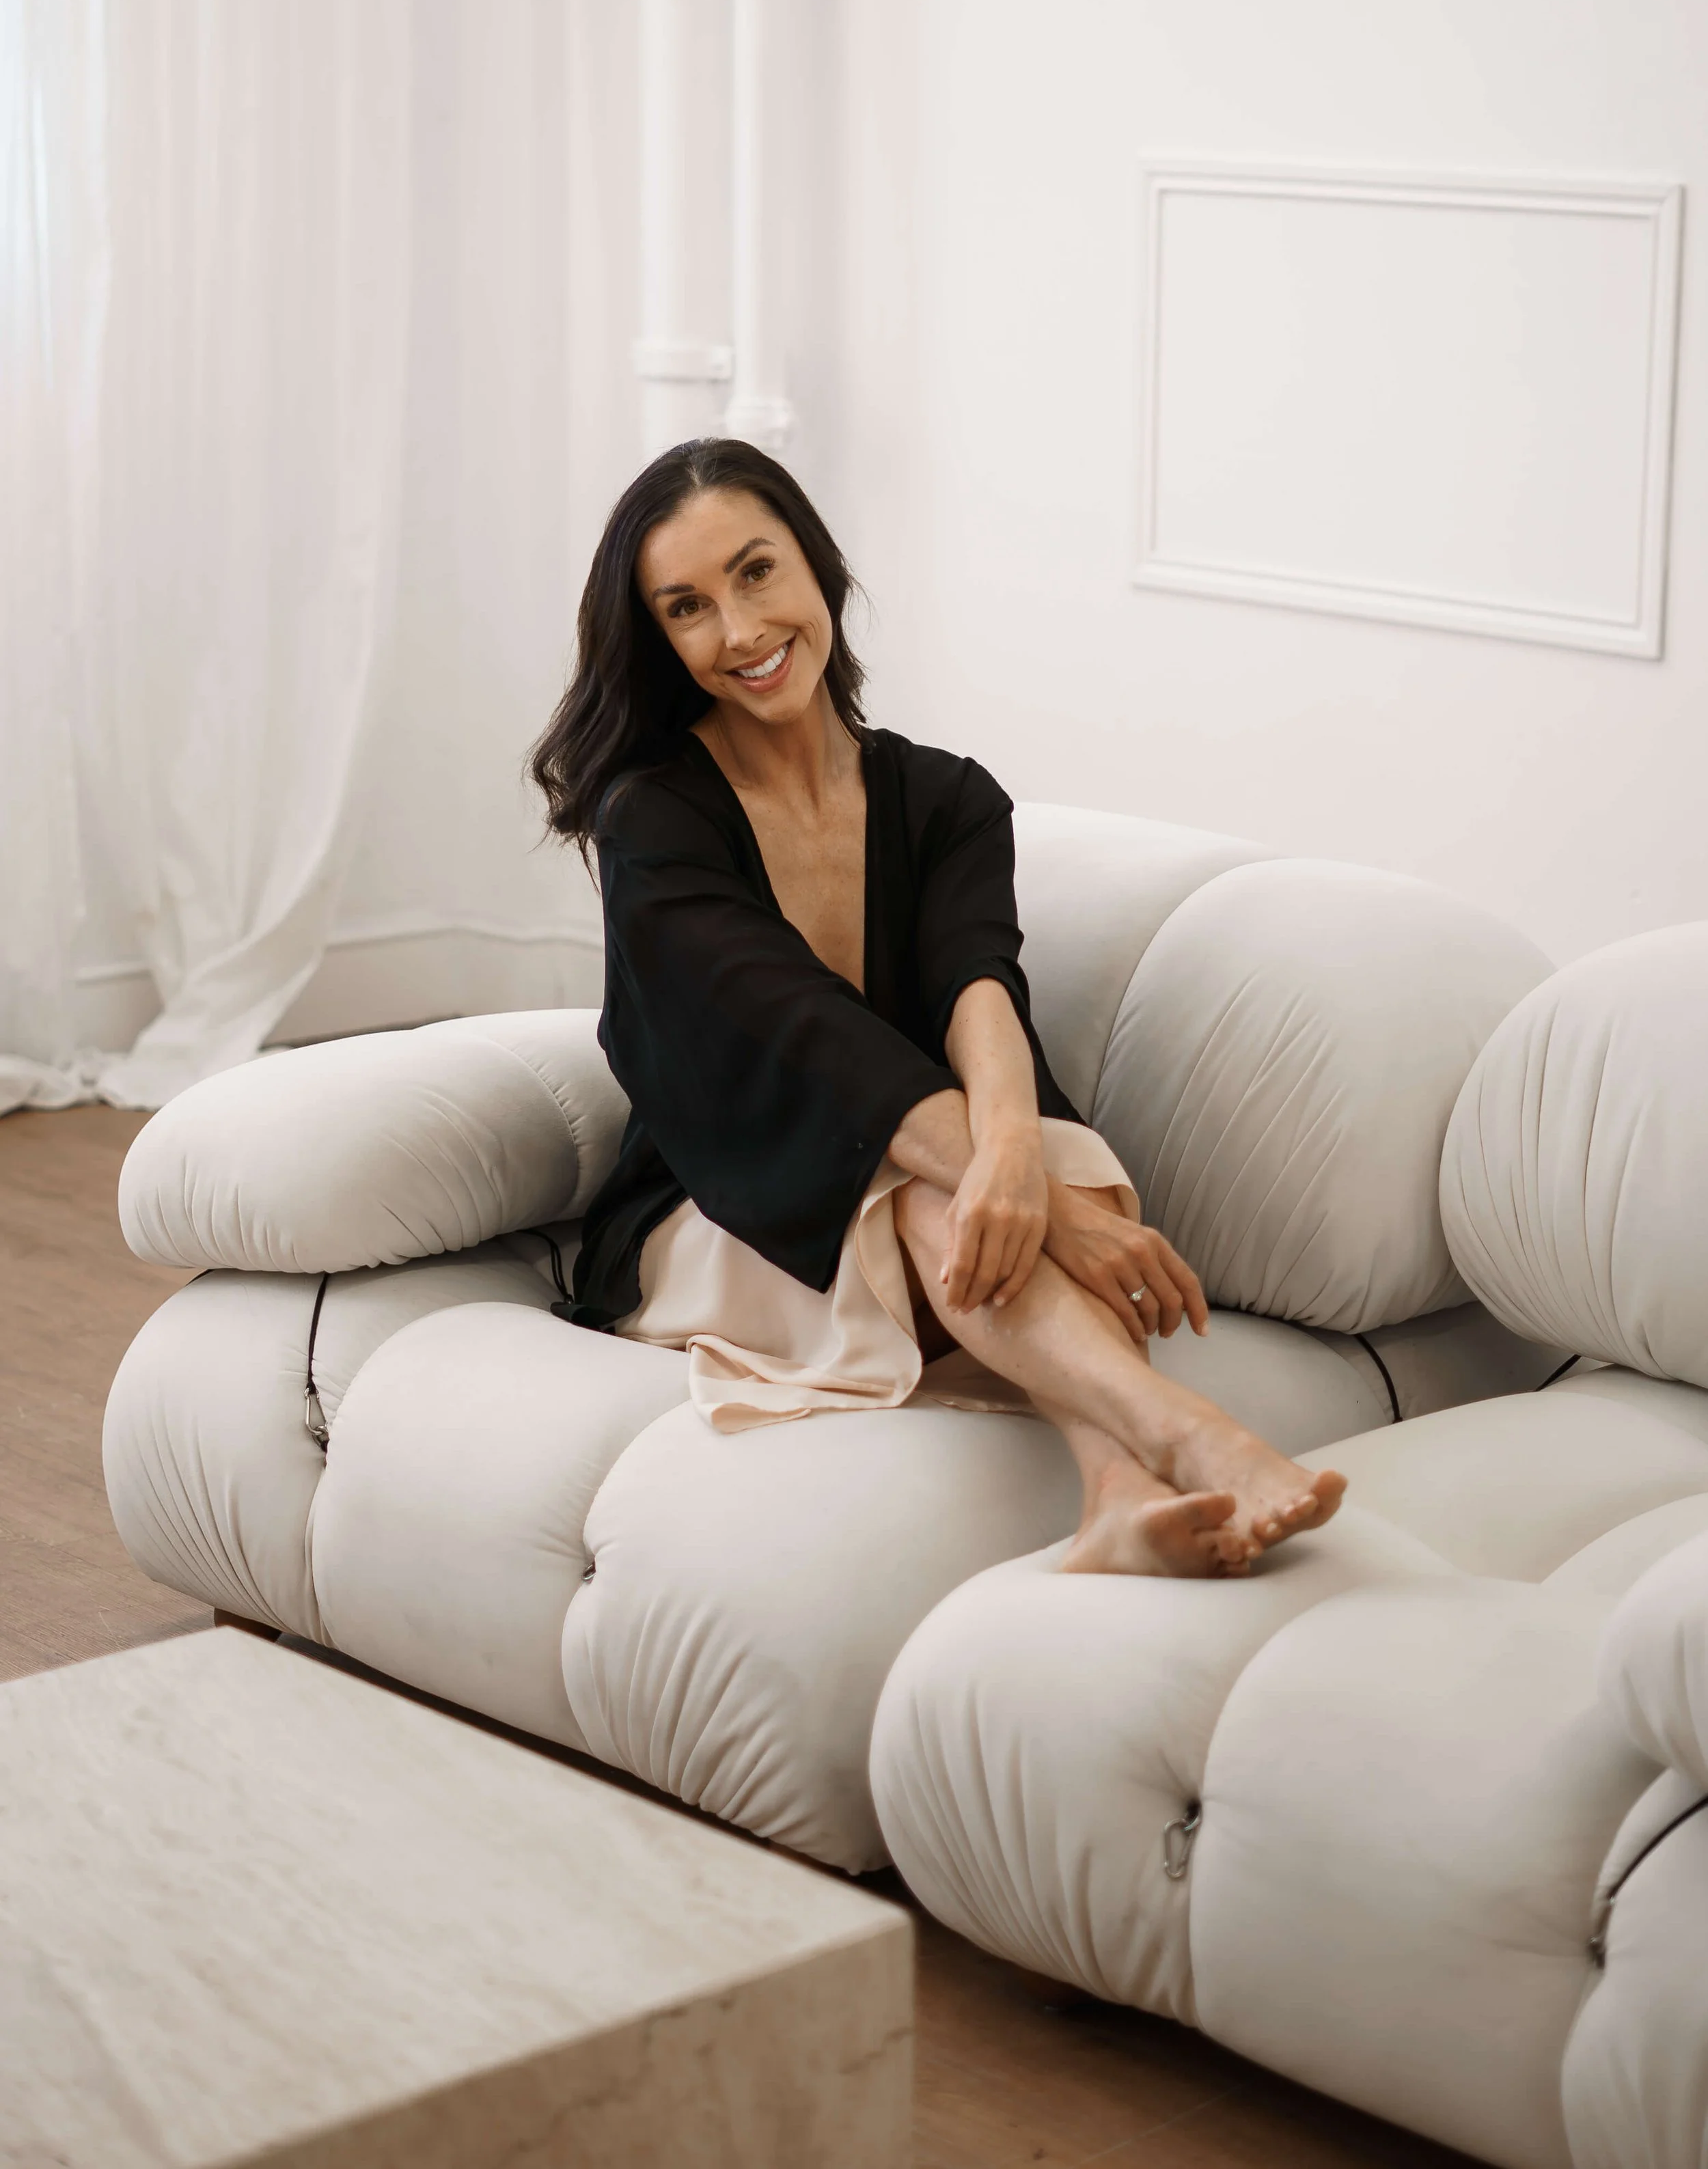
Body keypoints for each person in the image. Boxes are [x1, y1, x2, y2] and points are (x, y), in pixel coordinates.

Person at [529, 439, 1345, 1577]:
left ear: (818, 565)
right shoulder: (652, 819)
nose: (741, 629)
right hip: (718, 1204)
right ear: (661, 639)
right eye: (689, 606)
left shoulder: (948, 797)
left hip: (922, 1173)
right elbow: (811, 1036)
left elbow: (981, 987)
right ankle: (1190, 1435)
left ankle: (1114, 1496)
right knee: (941, 1199)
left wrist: (1022, 1154)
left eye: (758, 571)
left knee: (1041, 1156)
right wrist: (1043, 1207)